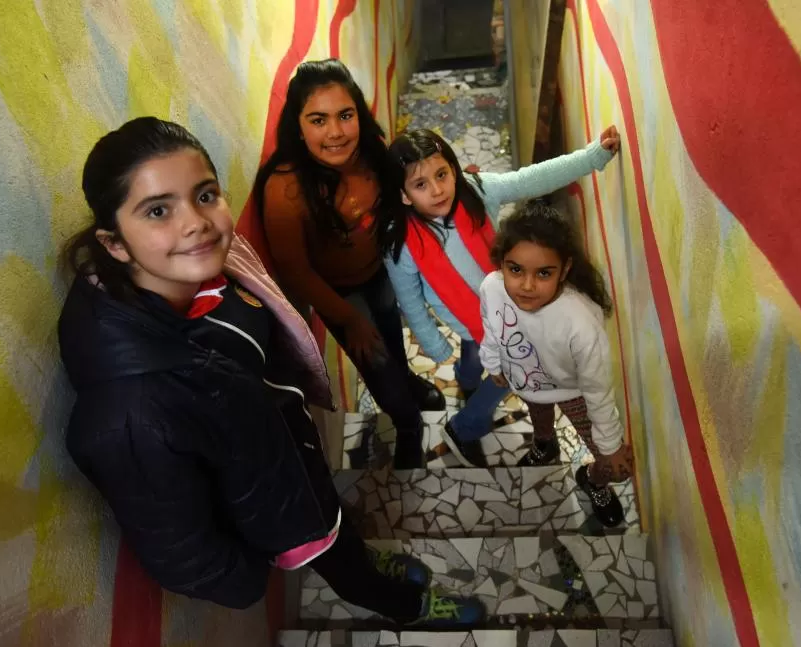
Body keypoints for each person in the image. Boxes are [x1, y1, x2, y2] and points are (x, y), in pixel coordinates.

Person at [58, 117, 484, 625]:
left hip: (287, 457)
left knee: (340, 530)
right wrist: (258, 556)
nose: (194, 223)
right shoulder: (132, 414)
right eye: (157, 210)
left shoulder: (209, 274)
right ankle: (406, 607)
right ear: (114, 244)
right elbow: (187, 556)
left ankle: (365, 558)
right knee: (341, 565)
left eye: (205, 195)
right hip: (273, 510)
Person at [380, 127, 619, 467]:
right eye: (420, 185)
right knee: (475, 355)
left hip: (510, 313)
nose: (436, 190)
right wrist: (432, 343)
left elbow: (532, 179)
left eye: (442, 174)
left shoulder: (478, 191)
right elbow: (410, 299)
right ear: (404, 195)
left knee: (506, 371)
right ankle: (466, 379)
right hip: (466, 324)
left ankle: (465, 425)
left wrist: (593, 156)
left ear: (454, 168)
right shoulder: (400, 242)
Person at [250, 59, 442, 470]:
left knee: (392, 334)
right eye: (318, 119)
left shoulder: (372, 153)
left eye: (345, 115)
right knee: (377, 366)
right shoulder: (285, 189)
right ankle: (408, 426)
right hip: (339, 296)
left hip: (381, 272)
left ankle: (410, 381)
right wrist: (349, 320)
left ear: (359, 114)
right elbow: (295, 272)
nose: (335, 132)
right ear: (298, 125)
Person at [478, 200, 634, 526]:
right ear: (501, 264)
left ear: (564, 270)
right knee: (539, 414)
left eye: (544, 273)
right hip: (527, 381)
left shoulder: (580, 322)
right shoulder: (492, 288)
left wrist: (608, 446)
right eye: (515, 269)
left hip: (572, 391)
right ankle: (545, 445)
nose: (527, 285)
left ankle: (593, 479)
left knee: (614, 465)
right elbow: (492, 326)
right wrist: (492, 363)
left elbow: (597, 389)